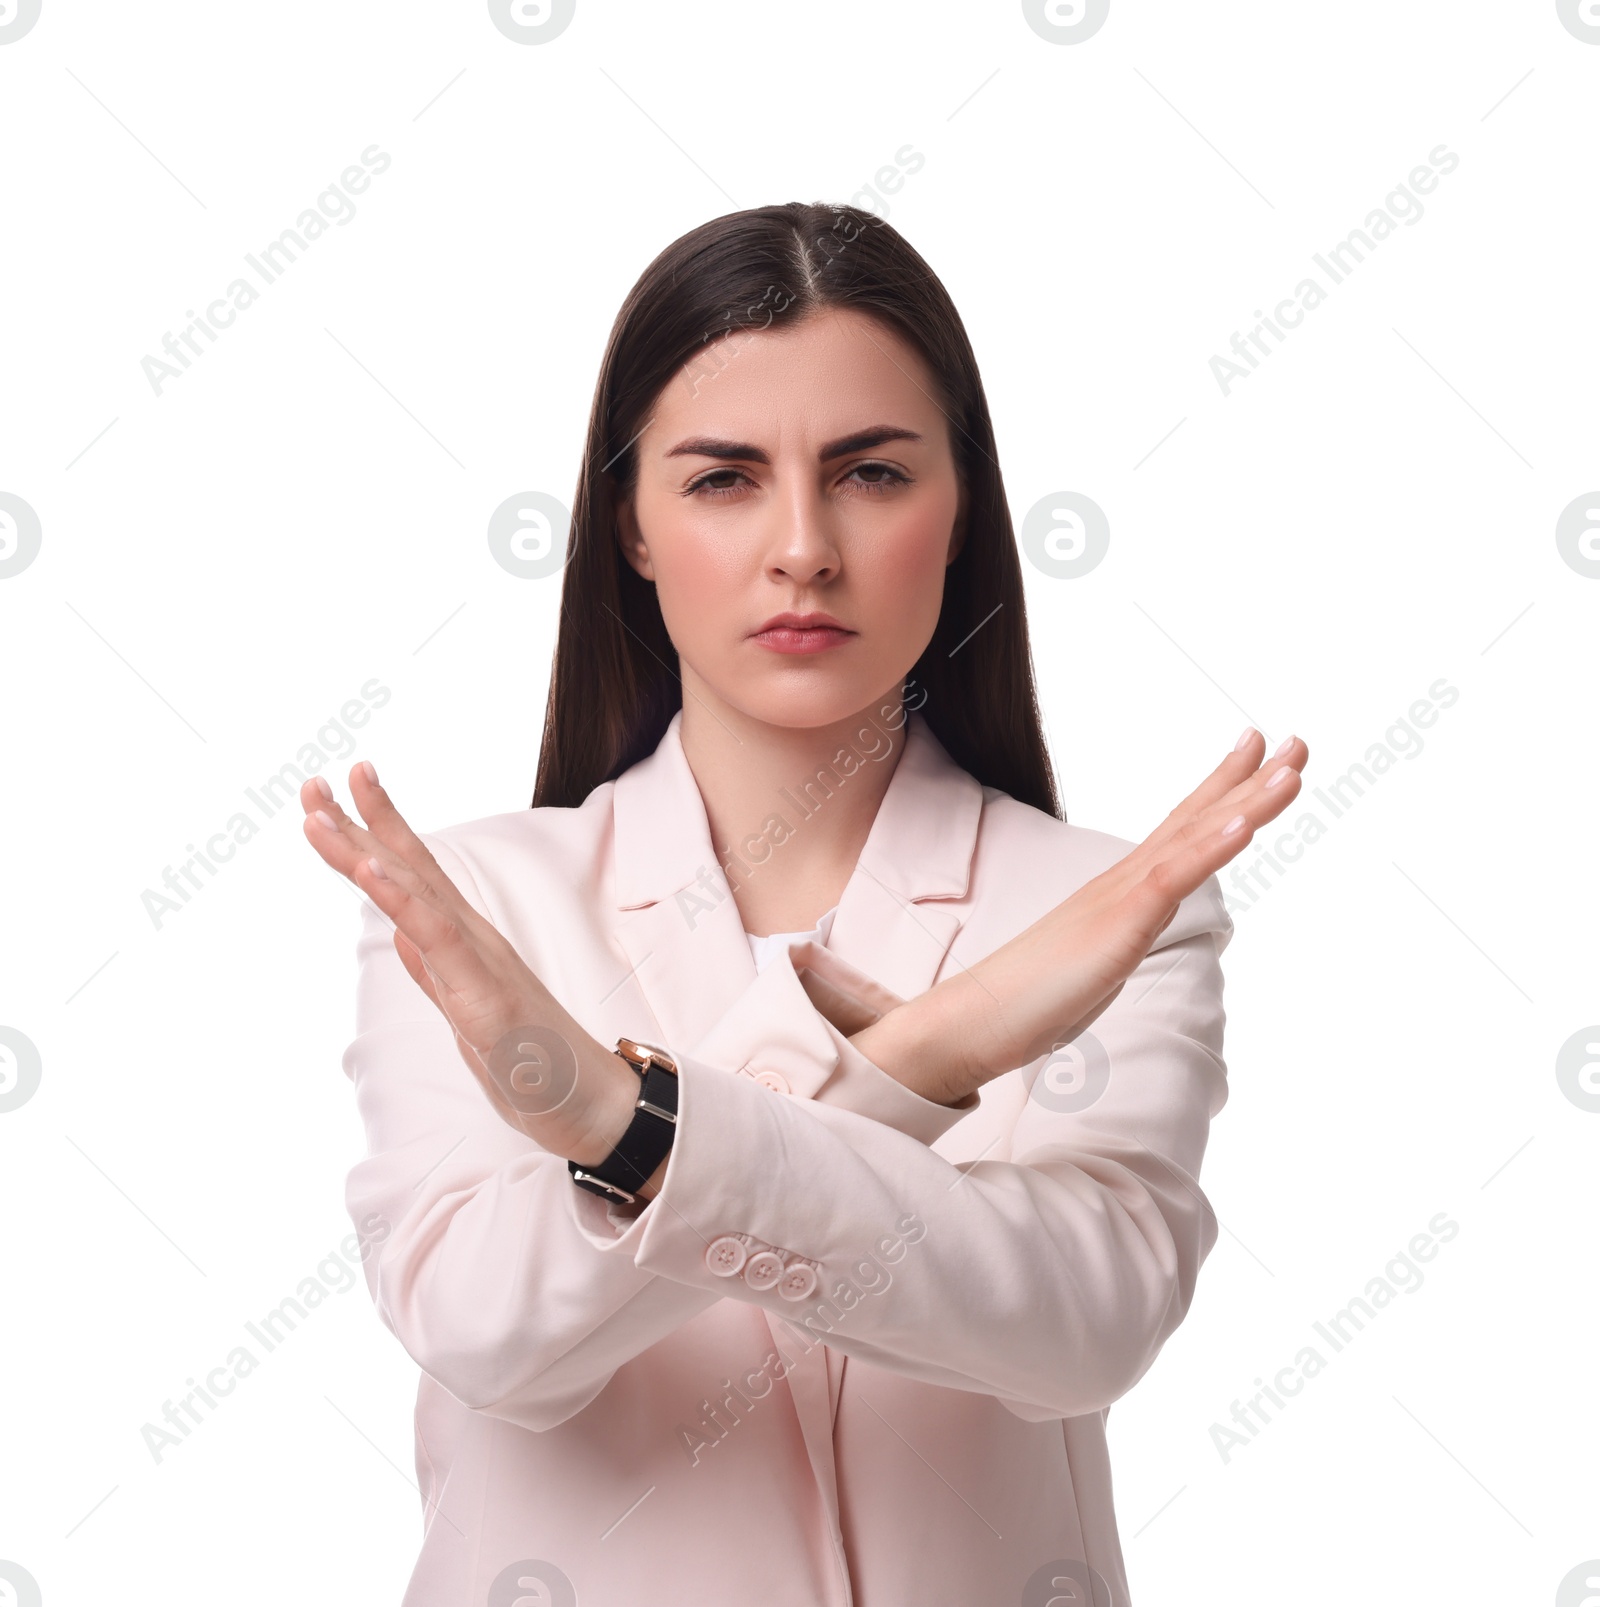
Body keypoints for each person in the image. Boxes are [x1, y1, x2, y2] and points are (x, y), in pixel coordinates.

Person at [301, 202, 1307, 1607]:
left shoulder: (1108, 908)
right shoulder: (480, 900)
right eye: (722, 479)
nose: (802, 549)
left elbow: (1087, 1325)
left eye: (872, 474)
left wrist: (620, 1130)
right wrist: (920, 1060)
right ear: (631, 530)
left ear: (961, 510)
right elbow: (488, 1334)